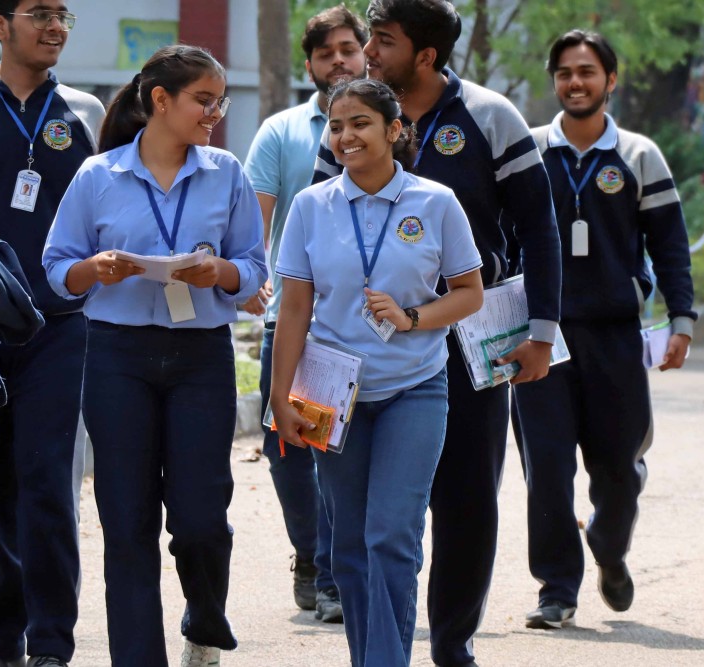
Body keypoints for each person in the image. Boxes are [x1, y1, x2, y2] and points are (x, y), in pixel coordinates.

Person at [313, 2, 562, 664]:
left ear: (425, 56)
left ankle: (453, 644)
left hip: (467, 340)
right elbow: (314, 235)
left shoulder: (490, 116)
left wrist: (541, 333)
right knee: (367, 519)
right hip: (358, 348)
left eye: (383, 41)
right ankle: (377, 649)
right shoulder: (349, 119)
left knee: (466, 500)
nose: (366, 49)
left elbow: (540, 228)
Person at [42, 45, 265, 667]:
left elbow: (253, 268)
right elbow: (58, 269)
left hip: (201, 358)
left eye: (219, 100)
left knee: (199, 519)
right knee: (127, 523)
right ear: (161, 101)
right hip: (116, 357)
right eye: (204, 100)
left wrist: (217, 271)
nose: (215, 113)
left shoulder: (226, 172)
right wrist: (95, 269)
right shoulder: (98, 176)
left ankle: (204, 617)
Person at [272, 77, 484, 667]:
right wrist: (278, 396)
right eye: (337, 126)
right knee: (347, 547)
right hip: (329, 391)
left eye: (361, 122)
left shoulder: (436, 202)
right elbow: (294, 307)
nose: (346, 136)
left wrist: (414, 316)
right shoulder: (310, 206)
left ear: (395, 130)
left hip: (415, 387)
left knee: (391, 535)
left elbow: (469, 293)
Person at [512, 30, 696, 629]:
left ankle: (610, 551)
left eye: (588, 71)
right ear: (554, 80)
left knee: (618, 466)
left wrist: (682, 320)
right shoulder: (529, 152)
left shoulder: (639, 156)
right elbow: (501, 237)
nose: (576, 82)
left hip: (617, 336)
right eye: (565, 72)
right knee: (546, 469)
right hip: (542, 337)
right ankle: (556, 589)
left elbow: (670, 247)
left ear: (610, 81)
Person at [0, 3, 104, 666]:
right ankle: (0, 640)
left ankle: (51, 641)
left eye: (64, 14)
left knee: (46, 481)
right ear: (0, 24)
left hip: (62, 327)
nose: (57, 27)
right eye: (41, 14)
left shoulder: (87, 111)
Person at [241, 3, 367, 623]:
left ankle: (339, 570)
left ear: (365, 53)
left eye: (348, 48)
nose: (338, 60)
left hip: (361, 326)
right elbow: (254, 220)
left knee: (345, 449)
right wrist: (249, 278)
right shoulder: (282, 132)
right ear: (311, 65)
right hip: (291, 322)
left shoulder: (387, 126)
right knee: (287, 442)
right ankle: (310, 554)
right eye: (325, 53)